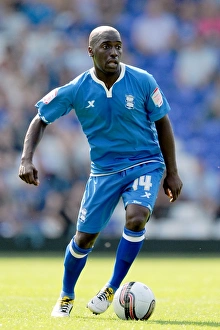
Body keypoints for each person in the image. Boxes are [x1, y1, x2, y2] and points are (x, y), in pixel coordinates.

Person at [18, 26, 183, 317]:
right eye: (106, 46)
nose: (114, 52)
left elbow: (163, 124)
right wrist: (26, 159)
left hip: (145, 162)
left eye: (118, 46)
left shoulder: (143, 80)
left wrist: (172, 171)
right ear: (90, 51)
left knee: (135, 218)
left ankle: (110, 289)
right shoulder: (77, 88)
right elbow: (39, 119)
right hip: (104, 172)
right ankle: (66, 296)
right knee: (83, 240)